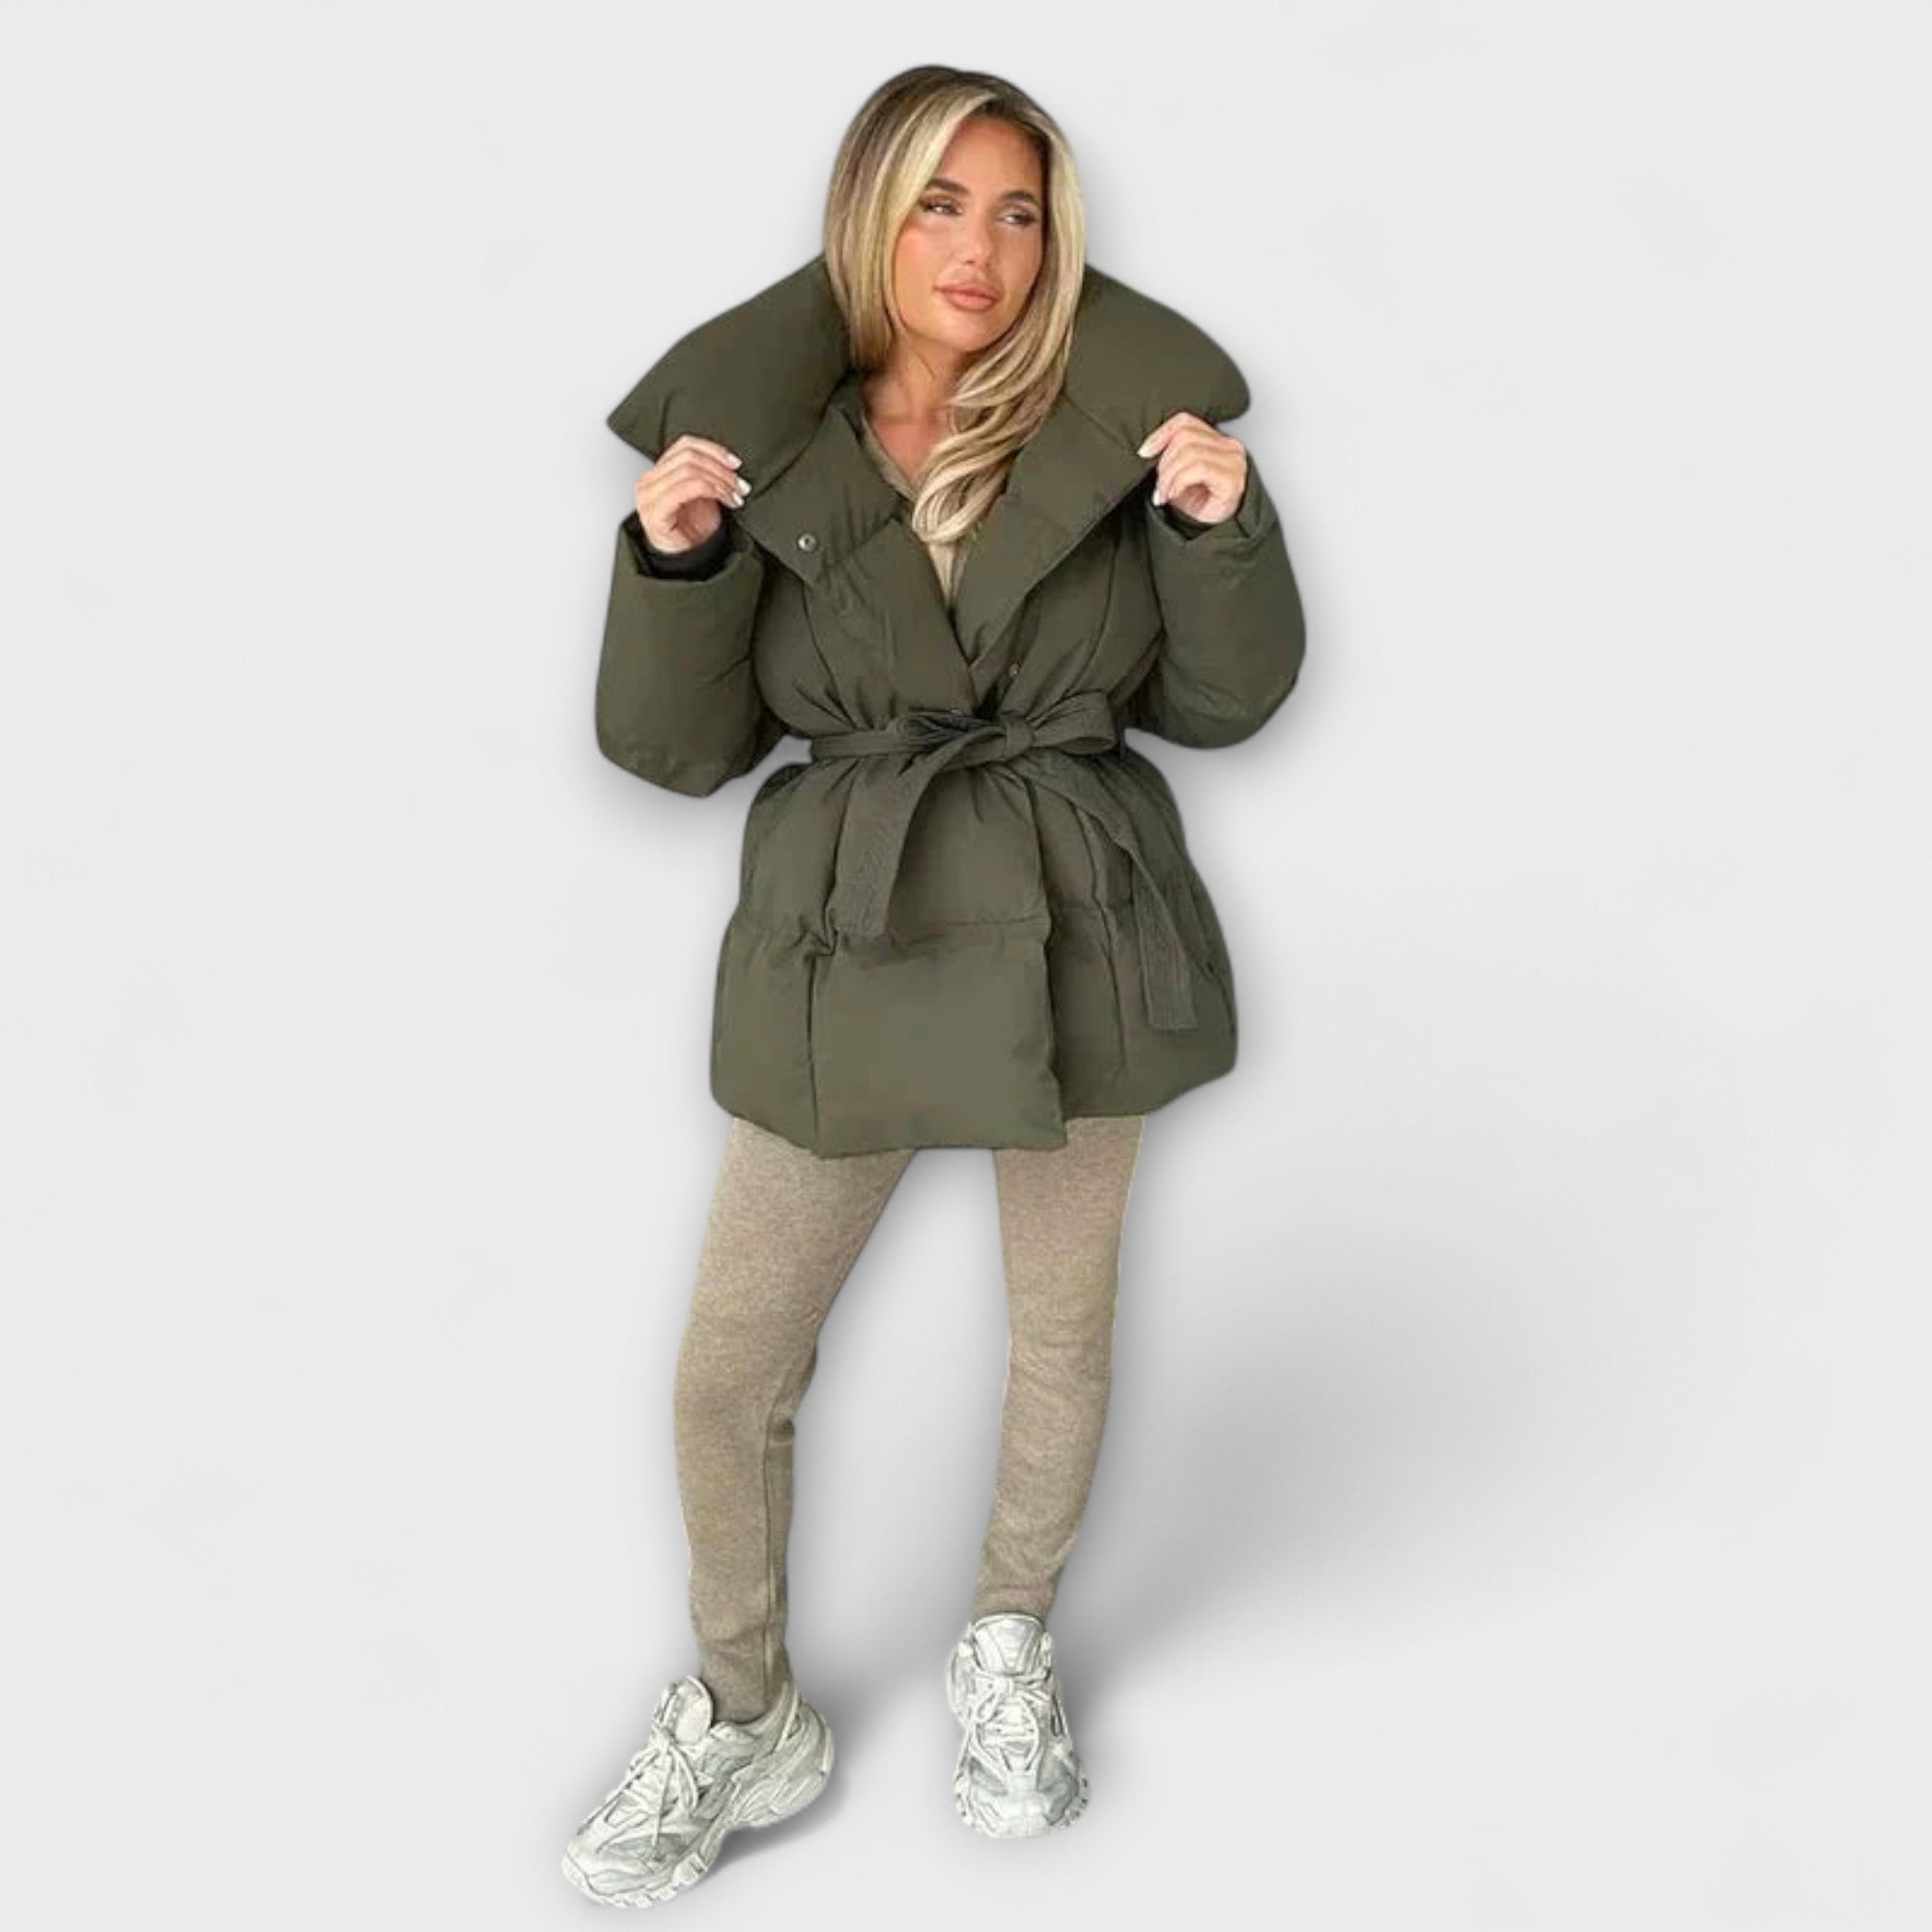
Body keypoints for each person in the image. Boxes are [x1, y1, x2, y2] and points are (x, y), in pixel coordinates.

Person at [561, 62, 1305, 1910]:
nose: (981, 248)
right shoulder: (764, 451)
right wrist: (676, 565)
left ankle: (1008, 1637)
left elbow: (1223, 704)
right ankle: (747, 1712)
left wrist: (1214, 533)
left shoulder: (1120, 429)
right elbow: (675, 750)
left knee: (1058, 1332)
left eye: (1020, 209)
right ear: (867, 217)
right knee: (729, 1370)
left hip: (1078, 915)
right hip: (857, 929)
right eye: (939, 203)